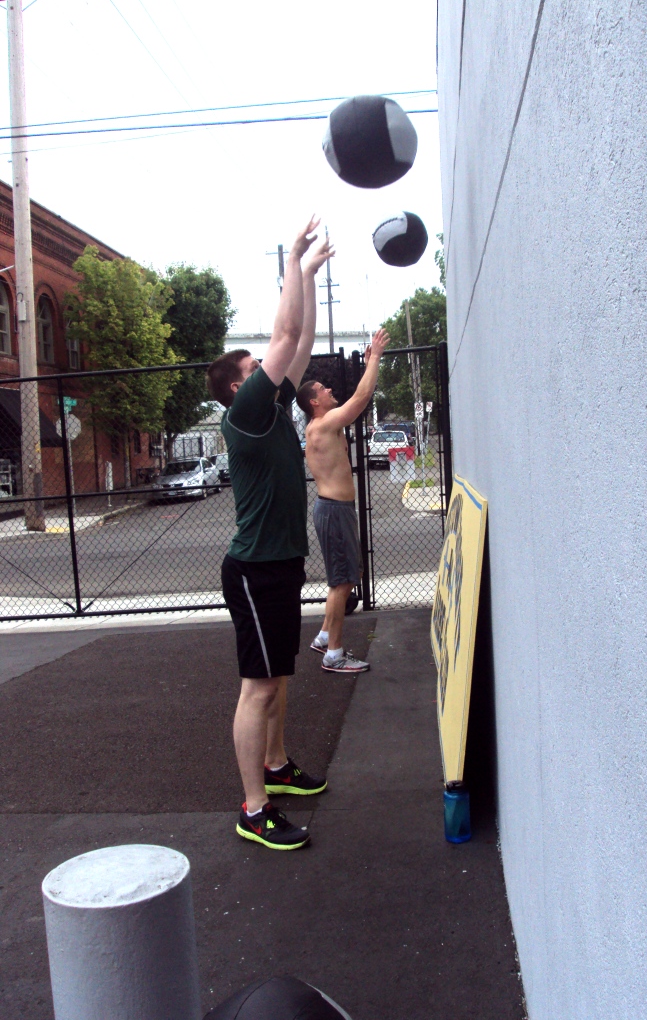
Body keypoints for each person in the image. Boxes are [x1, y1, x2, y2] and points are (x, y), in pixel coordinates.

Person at [205, 217, 333, 851]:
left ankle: (278, 768)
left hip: (280, 561)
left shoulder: (271, 410)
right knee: (257, 685)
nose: (271, 371)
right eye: (257, 369)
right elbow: (284, 333)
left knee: (278, 676)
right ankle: (254, 808)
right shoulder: (249, 412)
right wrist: (292, 265)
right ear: (239, 386)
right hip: (255, 570)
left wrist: (308, 277)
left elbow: (299, 339)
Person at [296, 327, 390, 673]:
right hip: (334, 511)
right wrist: (376, 357)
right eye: (324, 389)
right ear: (314, 403)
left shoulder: (324, 427)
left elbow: (359, 397)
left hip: (336, 510)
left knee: (344, 577)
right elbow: (360, 400)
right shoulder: (322, 426)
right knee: (342, 582)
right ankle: (334, 654)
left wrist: (370, 366)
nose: (330, 389)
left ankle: (324, 636)